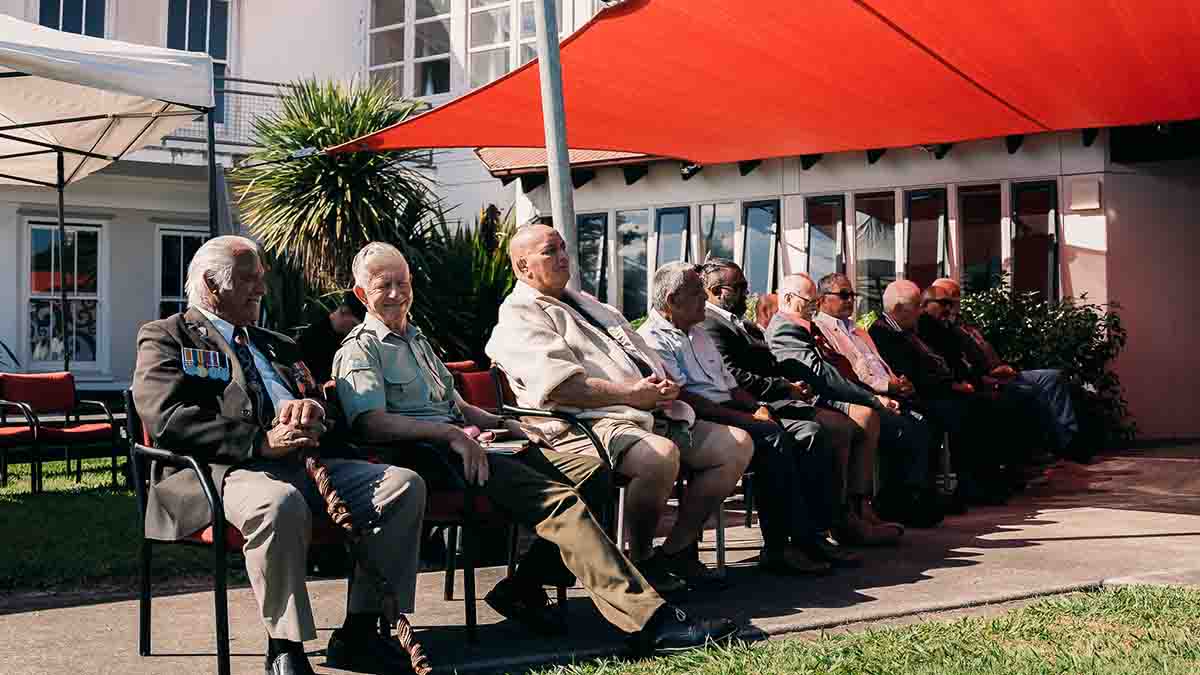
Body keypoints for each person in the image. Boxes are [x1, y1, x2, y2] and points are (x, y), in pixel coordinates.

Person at [334, 242, 736, 652]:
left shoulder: (418, 341)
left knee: (592, 471)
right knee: (559, 502)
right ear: (363, 294)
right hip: (432, 458)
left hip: (475, 446)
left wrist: (509, 423)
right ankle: (650, 620)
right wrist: (452, 436)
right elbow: (370, 423)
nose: (398, 292)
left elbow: (456, 406)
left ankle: (523, 587)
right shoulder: (360, 348)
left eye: (403, 282)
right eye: (385, 285)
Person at [132, 236, 426, 675]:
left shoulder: (278, 344)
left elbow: (322, 402)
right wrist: (259, 442)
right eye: (249, 279)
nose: (261, 289)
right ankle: (285, 646)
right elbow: (167, 417)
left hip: (304, 463)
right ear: (212, 283)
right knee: (278, 503)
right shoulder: (167, 336)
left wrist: (314, 411)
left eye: (262, 279)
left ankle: (361, 631)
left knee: (403, 486)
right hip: (223, 470)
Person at [487, 225, 753, 596]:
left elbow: (642, 353)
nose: (564, 256)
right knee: (659, 457)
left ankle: (675, 551)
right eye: (550, 251)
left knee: (736, 444)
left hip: (648, 411)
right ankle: (640, 559)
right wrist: (632, 395)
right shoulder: (520, 315)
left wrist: (663, 384)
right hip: (584, 424)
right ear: (523, 266)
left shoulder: (585, 302)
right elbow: (563, 387)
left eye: (564, 247)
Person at [638, 263, 853, 575]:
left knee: (806, 431)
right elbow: (687, 399)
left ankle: (812, 536)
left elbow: (731, 384)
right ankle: (779, 548)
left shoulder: (698, 332)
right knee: (772, 436)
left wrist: (756, 408)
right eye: (698, 293)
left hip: (730, 410)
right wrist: (750, 418)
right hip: (695, 418)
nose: (704, 299)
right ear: (672, 301)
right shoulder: (652, 339)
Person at [698, 259, 897, 545]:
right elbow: (734, 375)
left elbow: (775, 366)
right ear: (716, 291)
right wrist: (784, 387)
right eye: (740, 287)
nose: (748, 293)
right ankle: (820, 530)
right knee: (826, 429)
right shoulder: (711, 323)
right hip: (755, 404)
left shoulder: (740, 323)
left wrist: (788, 386)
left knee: (845, 424)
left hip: (778, 398)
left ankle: (838, 520)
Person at [769, 274, 941, 528]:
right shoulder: (790, 327)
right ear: (787, 298)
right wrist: (874, 398)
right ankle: (858, 509)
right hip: (816, 400)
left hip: (844, 393)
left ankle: (868, 506)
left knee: (923, 419)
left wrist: (893, 386)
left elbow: (853, 367)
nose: (813, 308)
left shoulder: (827, 327)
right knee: (879, 421)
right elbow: (823, 374)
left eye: (852, 295)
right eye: (810, 301)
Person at [868, 280, 1010, 505]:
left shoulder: (908, 331)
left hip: (936, 390)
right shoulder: (883, 333)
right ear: (896, 309)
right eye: (915, 306)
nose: (920, 312)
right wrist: (950, 386)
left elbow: (938, 362)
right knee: (960, 411)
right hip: (918, 395)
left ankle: (984, 480)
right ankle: (962, 486)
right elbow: (911, 374)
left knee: (986, 404)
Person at [931, 278, 1078, 457]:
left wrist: (1003, 365)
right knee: (1028, 391)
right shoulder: (948, 330)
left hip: (1003, 370)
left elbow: (986, 349)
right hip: (990, 377)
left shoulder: (965, 324)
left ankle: (1068, 438)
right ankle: (1055, 446)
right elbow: (966, 366)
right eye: (951, 298)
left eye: (957, 296)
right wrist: (991, 373)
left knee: (1053, 376)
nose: (956, 302)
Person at [298, 292, 365, 384]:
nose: (355, 330)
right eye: (354, 325)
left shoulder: (342, 337)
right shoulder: (313, 337)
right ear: (344, 312)